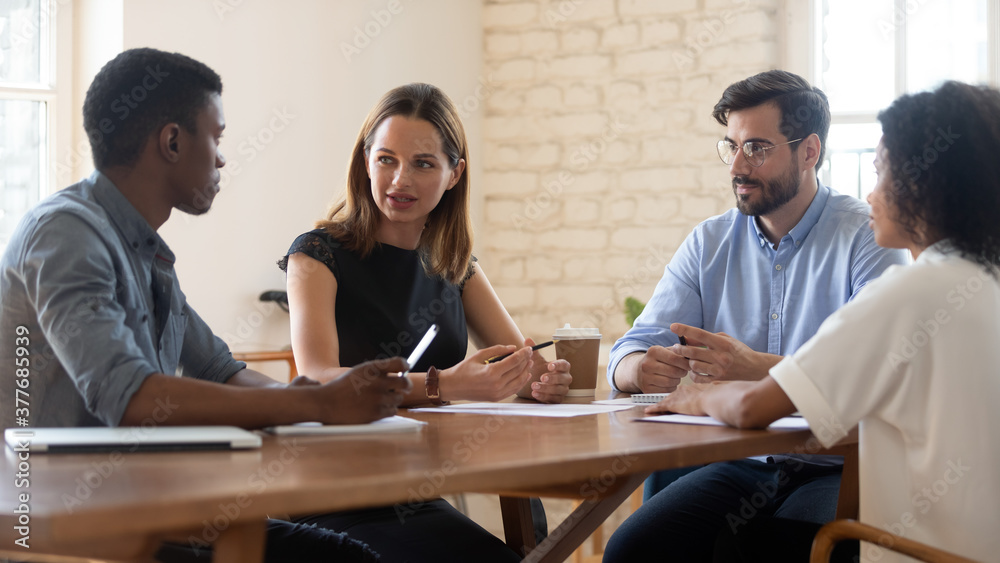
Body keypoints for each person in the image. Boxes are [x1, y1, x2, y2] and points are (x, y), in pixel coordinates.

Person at [0, 47, 411, 563]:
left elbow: (220, 370)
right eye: (216, 137)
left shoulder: (146, 253)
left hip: (140, 504)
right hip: (58, 526)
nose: (220, 157)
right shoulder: (65, 235)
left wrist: (328, 411)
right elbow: (129, 397)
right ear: (172, 141)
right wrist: (316, 405)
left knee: (348, 555)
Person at [649, 80, 1000, 563]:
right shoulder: (984, 282)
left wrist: (697, 395)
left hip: (909, 550)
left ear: (929, 187)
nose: (871, 194)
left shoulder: (903, 294)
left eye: (881, 174)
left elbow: (754, 408)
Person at [603, 70, 909, 562]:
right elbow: (628, 350)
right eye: (732, 147)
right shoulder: (708, 242)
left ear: (809, 151)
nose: (737, 167)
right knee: (634, 548)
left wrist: (756, 367)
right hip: (740, 464)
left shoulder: (868, 239)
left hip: (837, 464)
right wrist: (639, 368)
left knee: (780, 549)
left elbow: (875, 376)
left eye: (758, 148)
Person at [278, 82, 572, 563]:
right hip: (333, 491)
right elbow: (318, 379)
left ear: (455, 173)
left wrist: (539, 380)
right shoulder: (317, 254)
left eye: (423, 163)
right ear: (365, 161)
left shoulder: (454, 263)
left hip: (417, 488)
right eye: (386, 159)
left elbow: (519, 359)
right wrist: (442, 385)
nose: (399, 181)